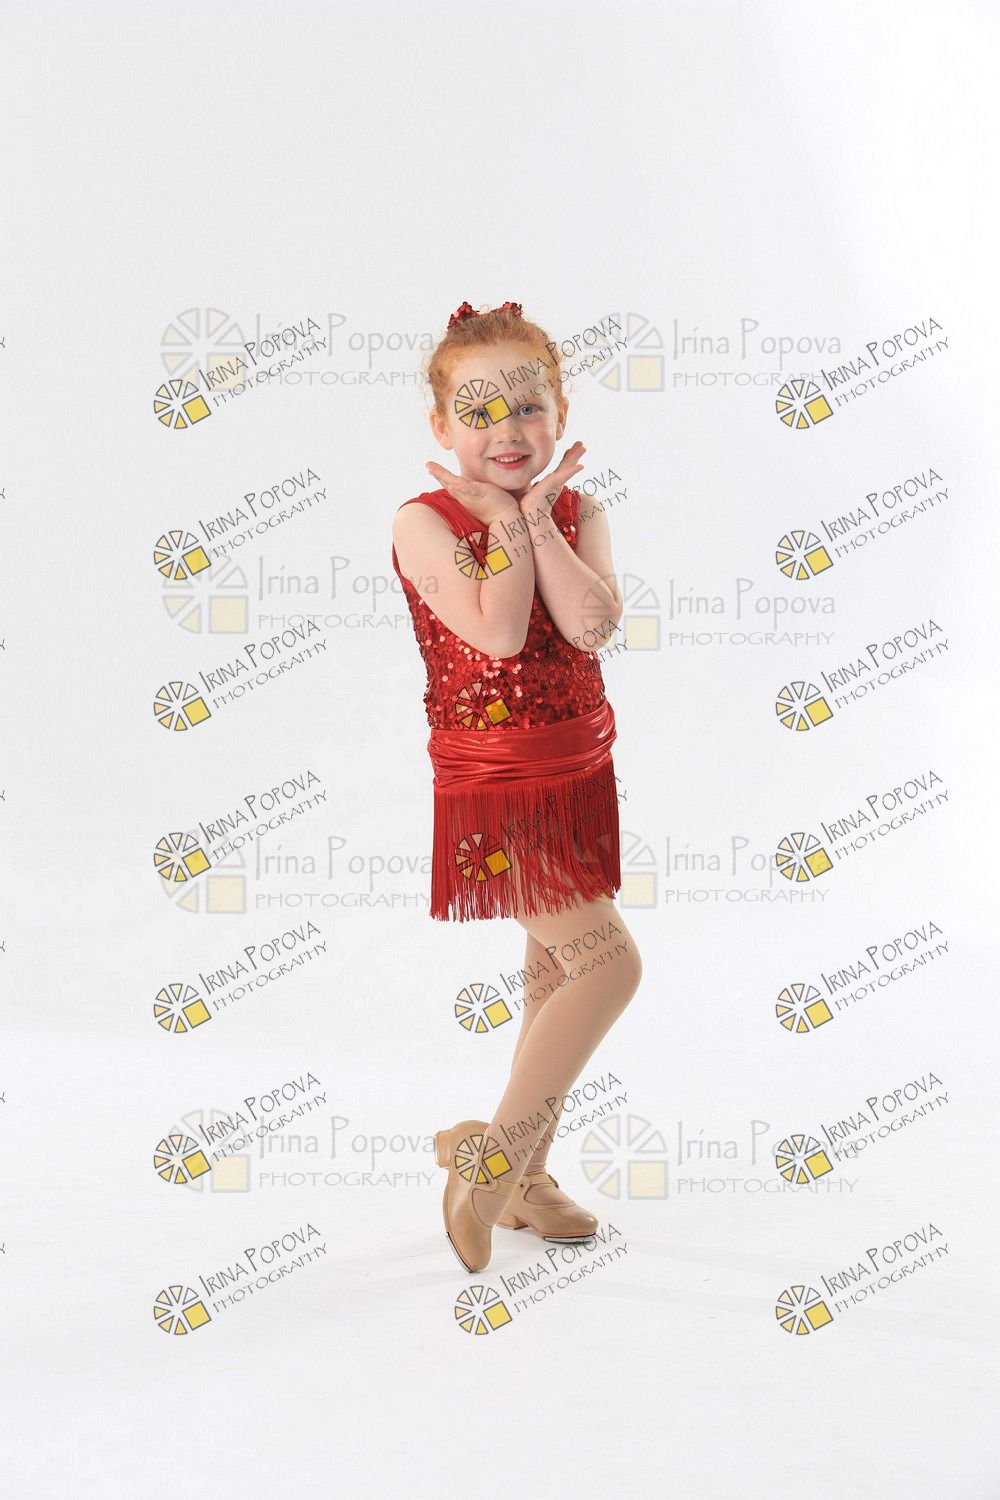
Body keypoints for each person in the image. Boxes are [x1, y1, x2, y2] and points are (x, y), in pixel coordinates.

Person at [390, 299, 643, 1273]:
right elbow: (496, 632)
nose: (507, 428)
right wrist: (501, 523)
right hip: (496, 787)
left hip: (578, 772)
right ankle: (488, 1165)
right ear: (441, 426)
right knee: (608, 964)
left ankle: (525, 1175)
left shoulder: (578, 512)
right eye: (479, 410)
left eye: (528, 406)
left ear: (560, 413)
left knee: (554, 974)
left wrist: (538, 521)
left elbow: (591, 625)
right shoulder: (423, 522)